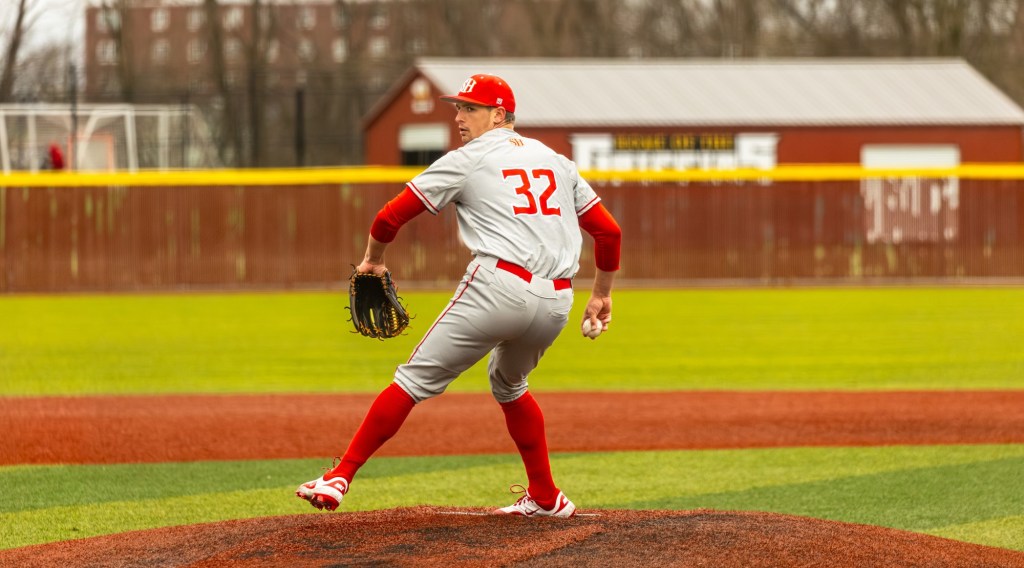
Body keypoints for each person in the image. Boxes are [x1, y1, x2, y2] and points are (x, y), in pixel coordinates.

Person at [296, 73, 622, 517]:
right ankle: (546, 497)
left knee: (411, 381)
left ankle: (340, 476)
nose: (459, 116)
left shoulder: (468, 158)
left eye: (470, 108)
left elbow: (389, 217)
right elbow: (608, 231)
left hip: (498, 287)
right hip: (556, 302)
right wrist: (601, 293)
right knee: (510, 384)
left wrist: (372, 261)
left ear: (500, 114)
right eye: (458, 107)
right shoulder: (557, 161)